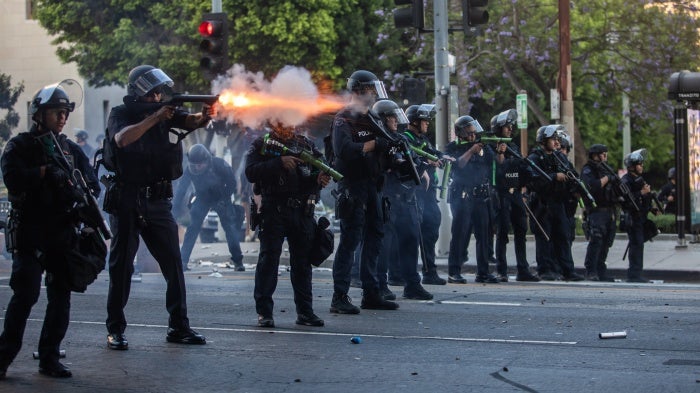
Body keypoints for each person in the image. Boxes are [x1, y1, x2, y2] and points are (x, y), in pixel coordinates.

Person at [103, 65, 209, 350]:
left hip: (158, 200)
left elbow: (193, 121)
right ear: (140, 91)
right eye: (153, 93)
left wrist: (206, 115)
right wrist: (155, 117)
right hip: (127, 198)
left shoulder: (166, 114)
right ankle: (115, 329)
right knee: (122, 266)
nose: (159, 96)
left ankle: (179, 326)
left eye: (160, 92)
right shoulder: (121, 114)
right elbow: (123, 139)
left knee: (173, 263)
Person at [0, 82, 100, 378]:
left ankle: (49, 357)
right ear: (39, 113)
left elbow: (91, 183)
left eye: (65, 112)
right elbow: (13, 179)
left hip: (62, 232)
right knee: (26, 294)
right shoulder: (21, 146)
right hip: (31, 233)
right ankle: (4, 357)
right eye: (56, 111)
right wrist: (44, 173)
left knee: (61, 296)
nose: (62, 117)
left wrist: (81, 196)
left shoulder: (69, 150)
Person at [244, 124, 331, 327]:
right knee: (269, 262)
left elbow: (317, 169)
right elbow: (250, 172)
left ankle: (305, 312)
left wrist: (318, 179)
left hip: (302, 212)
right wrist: (278, 163)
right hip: (274, 210)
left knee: (302, 264)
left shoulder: (306, 144)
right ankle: (264, 313)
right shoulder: (262, 144)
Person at [330, 70, 399, 313]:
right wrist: (372, 145)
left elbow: (387, 148)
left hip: (374, 187)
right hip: (353, 186)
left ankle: (371, 292)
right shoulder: (344, 119)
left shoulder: (374, 119)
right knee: (350, 240)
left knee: (375, 237)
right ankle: (339, 296)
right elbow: (344, 150)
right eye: (370, 89)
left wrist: (393, 153)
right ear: (358, 91)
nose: (373, 94)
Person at [373, 99, 433, 301]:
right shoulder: (378, 141)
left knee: (410, 241)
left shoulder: (400, 139)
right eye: (391, 117)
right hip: (388, 199)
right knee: (385, 245)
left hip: (407, 198)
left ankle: (412, 285)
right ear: (382, 120)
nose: (395, 121)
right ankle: (380, 285)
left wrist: (419, 167)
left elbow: (414, 164)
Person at [444, 115, 500, 284]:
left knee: (483, 236)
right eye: (469, 132)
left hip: (480, 196)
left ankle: (483, 272)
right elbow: (457, 165)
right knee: (459, 234)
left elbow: (496, 162)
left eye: (474, 132)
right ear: (461, 132)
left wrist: (500, 151)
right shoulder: (453, 147)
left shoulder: (482, 146)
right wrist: (471, 151)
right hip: (462, 195)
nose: (473, 135)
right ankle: (454, 271)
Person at [526, 125, 585, 282]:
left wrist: (576, 187)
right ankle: (545, 269)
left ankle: (567, 270)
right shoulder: (535, 158)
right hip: (542, 203)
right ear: (543, 140)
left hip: (559, 202)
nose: (556, 142)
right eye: (553, 139)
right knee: (545, 237)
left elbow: (571, 173)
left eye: (556, 139)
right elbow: (534, 180)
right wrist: (554, 176)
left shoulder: (560, 157)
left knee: (563, 236)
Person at [174, 144, 245, 272]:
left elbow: (232, 182)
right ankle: (183, 261)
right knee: (192, 227)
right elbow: (181, 188)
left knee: (230, 228)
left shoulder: (219, 164)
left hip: (221, 198)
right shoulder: (190, 170)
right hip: (202, 198)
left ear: (207, 161)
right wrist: (175, 207)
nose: (196, 168)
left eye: (199, 165)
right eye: (193, 165)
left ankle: (238, 261)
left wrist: (225, 197)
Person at [490, 110, 539, 282]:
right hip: (501, 194)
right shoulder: (492, 146)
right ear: (498, 128)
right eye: (507, 126)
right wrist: (500, 153)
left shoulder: (513, 146)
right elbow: (498, 169)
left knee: (521, 231)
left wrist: (525, 184)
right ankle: (501, 270)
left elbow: (521, 168)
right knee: (502, 232)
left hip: (516, 193)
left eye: (511, 126)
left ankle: (522, 269)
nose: (511, 129)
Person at [403, 104, 450, 286]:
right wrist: (427, 161)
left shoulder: (422, 139)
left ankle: (430, 271)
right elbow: (411, 158)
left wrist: (442, 157)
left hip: (429, 194)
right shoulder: (406, 139)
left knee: (430, 232)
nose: (428, 123)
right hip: (415, 194)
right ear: (414, 121)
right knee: (413, 235)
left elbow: (433, 152)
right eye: (425, 120)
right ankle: (405, 274)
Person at [621, 149, 659, 283]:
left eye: (642, 164)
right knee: (636, 244)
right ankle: (634, 274)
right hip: (632, 218)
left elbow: (643, 199)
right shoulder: (625, 180)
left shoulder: (639, 179)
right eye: (639, 164)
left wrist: (651, 208)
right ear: (631, 166)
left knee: (639, 244)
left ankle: (637, 273)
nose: (641, 166)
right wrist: (642, 193)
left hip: (641, 217)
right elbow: (626, 199)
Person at [581, 144, 617, 282]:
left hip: (609, 211)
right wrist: (607, 178)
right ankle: (591, 271)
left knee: (606, 242)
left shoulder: (606, 169)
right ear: (595, 155)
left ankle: (601, 271)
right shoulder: (588, 169)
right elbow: (591, 186)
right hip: (596, 211)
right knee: (596, 241)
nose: (605, 157)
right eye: (603, 154)